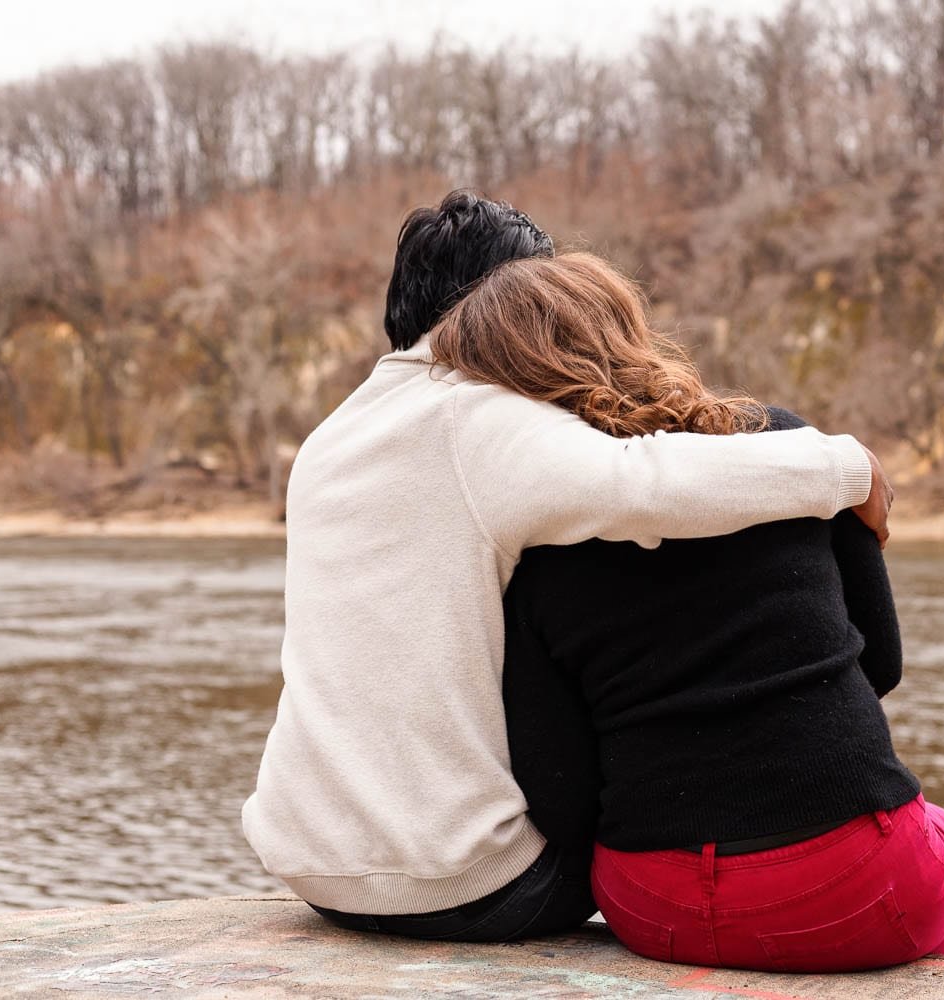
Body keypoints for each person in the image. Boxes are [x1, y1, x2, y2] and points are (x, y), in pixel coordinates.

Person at [240, 191, 896, 942]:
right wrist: (847, 467)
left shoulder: (333, 435)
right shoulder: (474, 417)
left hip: (313, 865)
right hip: (465, 883)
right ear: (514, 306)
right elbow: (643, 481)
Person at [429, 250, 944, 971]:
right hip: (855, 882)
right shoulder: (788, 457)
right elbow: (880, 662)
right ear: (628, 328)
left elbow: (559, 790)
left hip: (650, 901)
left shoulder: (534, 544)